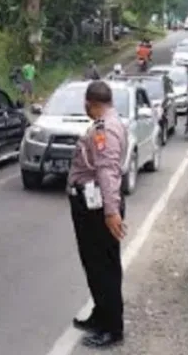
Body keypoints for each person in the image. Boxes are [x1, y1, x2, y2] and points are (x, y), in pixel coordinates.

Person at [67, 80, 127, 348]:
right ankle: (100, 314)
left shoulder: (105, 129)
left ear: (90, 103)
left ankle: (112, 328)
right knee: (94, 264)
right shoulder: (107, 123)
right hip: (93, 205)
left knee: (103, 267)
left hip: (98, 207)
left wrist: (110, 212)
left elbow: (107, 170)